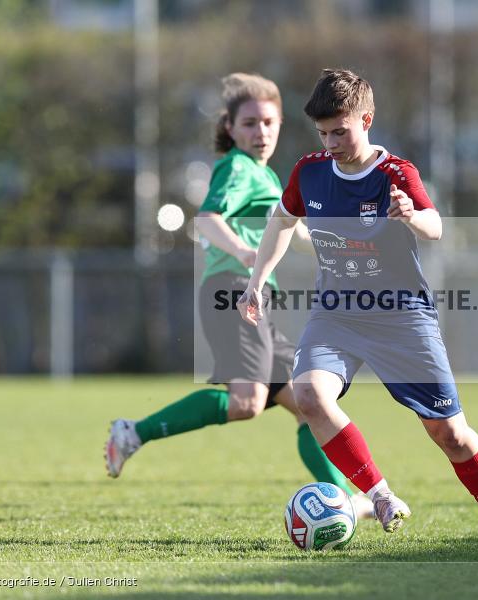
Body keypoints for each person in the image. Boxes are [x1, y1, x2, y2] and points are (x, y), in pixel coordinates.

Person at [237, 68, 478, 552]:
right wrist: (255, 282)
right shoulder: (309, 171)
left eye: (340, 131)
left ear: (367, 119)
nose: (331, 143)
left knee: (450, 433)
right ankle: (379, 495)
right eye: (323, 133)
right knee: (310, 396)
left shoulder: (396, 173)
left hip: (402, 317)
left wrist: (410, 215)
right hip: (336, 314)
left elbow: (435, 226)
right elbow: (283, 220)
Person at [104, 73, 372, 518]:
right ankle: (133, 432)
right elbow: (207, 219)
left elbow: (297, 231)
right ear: (230, 128)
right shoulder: (236, 167)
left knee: (310, 403)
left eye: (269, 122)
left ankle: (341, 500)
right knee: (247, 403)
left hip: (255, 299)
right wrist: (247, 252)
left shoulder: (266, 175)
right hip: (230, 290)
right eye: (249, 123)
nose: (260, 131)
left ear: (281, 124)